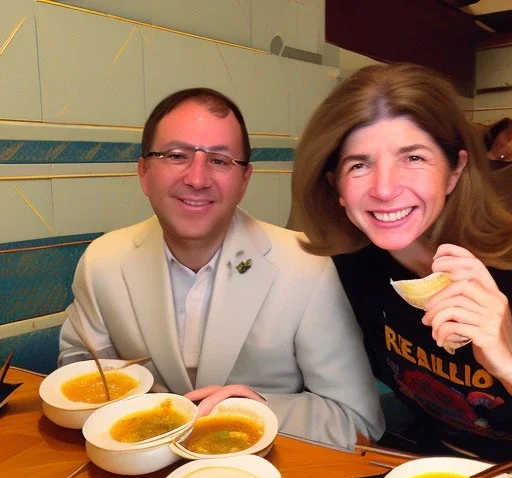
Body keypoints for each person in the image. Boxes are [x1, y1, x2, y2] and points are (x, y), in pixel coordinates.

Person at [59, 87, 384, 448]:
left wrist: (251, 410)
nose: (197, 179)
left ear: (244, 180)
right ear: (144, 172)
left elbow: (357, 422)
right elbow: (79, 371)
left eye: (219, 160)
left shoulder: (306, 266)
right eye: (176, 154)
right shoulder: (102, 262)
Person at [291, 63, 512, 461]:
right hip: (415, 460)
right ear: (336, 186)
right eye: (359, 164)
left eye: (412, 157)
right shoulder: (350, 269)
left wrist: (507, 359)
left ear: (454, 171)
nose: (385, 188)